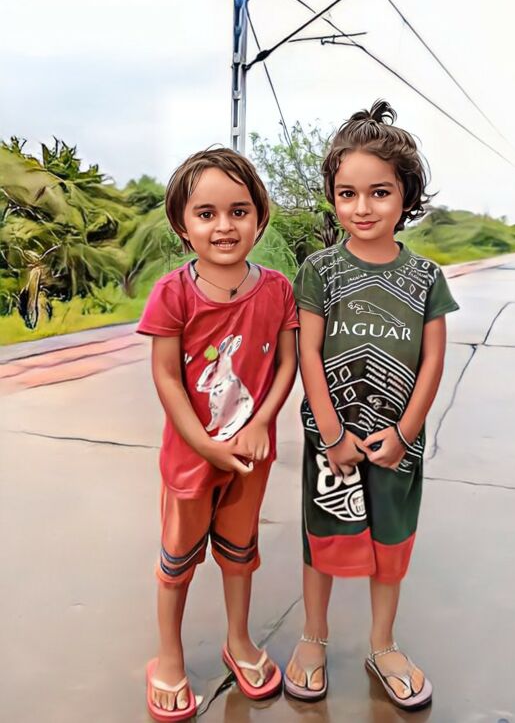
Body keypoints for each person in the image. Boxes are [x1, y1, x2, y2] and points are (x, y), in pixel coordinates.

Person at [284, 100, 459, 710]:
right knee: (323, 540)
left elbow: (432, 361)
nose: (362, 208)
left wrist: (405, 433)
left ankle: (383, 644)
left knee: (391, 545)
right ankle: (313, 637)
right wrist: (332, 435)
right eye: (347, 194)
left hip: (396, 447)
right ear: (333, 198)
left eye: (379, 192)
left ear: (406, 195)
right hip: (332, 445)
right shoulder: (320, 271)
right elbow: (308, 355)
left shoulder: (427, 277)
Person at [138, 148, 298, 720]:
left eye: (239, 211)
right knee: (177, 563)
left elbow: (287, 364)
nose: (224, 226)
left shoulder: (277, 290)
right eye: (206, 213)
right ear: (183, 224)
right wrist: (204, 444)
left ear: (260, 217)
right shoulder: (172, 293)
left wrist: (260, 423)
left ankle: (239, 641)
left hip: (250, 457)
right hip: (191, 459)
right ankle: (169, 656)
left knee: (239, 554)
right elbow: (166, 376)